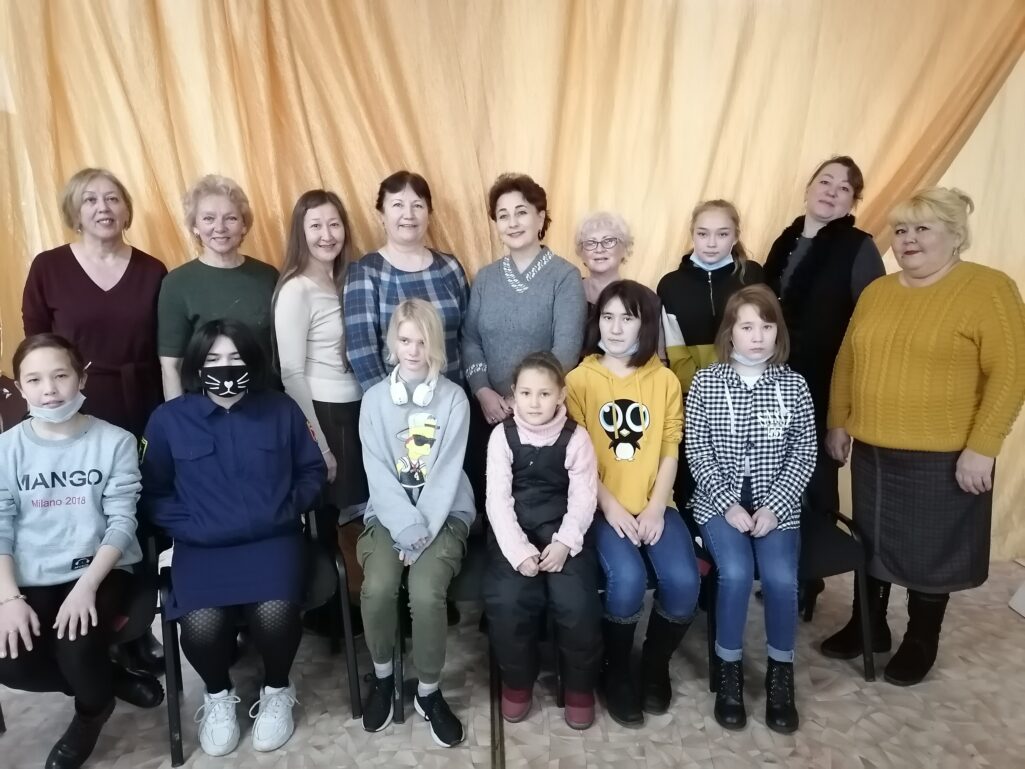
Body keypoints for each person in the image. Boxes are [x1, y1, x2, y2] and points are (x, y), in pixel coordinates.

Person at [822, 188, 1025, 686]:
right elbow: (848, 359)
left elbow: (1011, 373)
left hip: (945, 456)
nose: (908, 239)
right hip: (874, 451)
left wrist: (983, 447)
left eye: (922, 229)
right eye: (901, 230)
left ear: (955, 235)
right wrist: (838, 420)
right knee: (872, 543)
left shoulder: (988, 288)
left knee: (932, 553)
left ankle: (920, 639)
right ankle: (869, 626)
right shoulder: (878, 292)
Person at [141, 320, 326, 756]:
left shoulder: (281, 409)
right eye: (213, 359)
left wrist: (285, 509)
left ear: (253, 362)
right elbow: (153, 492)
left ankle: (277, 688)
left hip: (272, 540)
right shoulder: (168, 420)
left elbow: (313, 471)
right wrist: (190, 527)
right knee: (201, 627)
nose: (225, 368)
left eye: (235, 358)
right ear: (196, 365)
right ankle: (217, 695)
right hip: (201, 547)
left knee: (275, 615)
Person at [21, 167, 168, 676]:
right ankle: (89, 630)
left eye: (112, 198)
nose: (103, 208)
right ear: (75, 211)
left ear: (126, 209)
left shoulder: (152, 270)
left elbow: (165, 347)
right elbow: (37, 348)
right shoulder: (48, 267)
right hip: (72, 408)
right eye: (90, 200)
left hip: (142, 402)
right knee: (82, 510)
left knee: (138, 513)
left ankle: (135, 631)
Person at [0, 334, 161, 769]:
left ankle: (91, 713)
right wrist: (9, 599)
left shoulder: (115, 441)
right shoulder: (6, 449)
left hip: (101, 569)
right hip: (32, 574)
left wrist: (86, 586)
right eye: (34, 380)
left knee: (76, 645)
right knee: (10, 660)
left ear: (81, 378)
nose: (49, 390)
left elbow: (122, 522)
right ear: (19, 386)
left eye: (60, 376)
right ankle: (110, 681)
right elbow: (0, 527)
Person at [566, 280, 700, 728]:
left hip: (655, 503)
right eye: (608, 317)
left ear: (645, 325)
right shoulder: (579, 380)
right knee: (626, 579)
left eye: (628, 318)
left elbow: (669, 447)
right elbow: (578, 457)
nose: (616, 327)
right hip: (601, 507)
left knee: (683, 581)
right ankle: (616, 667)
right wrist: (611, 508)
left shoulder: (664, 380)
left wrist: (658, 506)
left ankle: (655, 663)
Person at [686, 285, 816, 733]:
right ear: (730, 333)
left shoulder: (793, 385)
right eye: (746, 327)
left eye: (766, 326)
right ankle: (729, 673)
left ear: (778, 333)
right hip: (718, 503)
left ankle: (781, 675)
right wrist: (727, 503)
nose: (757, 336)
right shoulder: (707, 382)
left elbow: (804, 452)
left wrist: (776, 506)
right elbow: (697, 450)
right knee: (737, 573)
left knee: (780, 578)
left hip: (777, 504)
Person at [762, 156, 884, 608]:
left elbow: (870, 335)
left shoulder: (859, 248)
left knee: (814, 487)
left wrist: (841, 417)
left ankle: (808, 579)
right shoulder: (785, 241)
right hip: (772, 386)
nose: (832, 191)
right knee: (773, 479)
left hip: (822, 390)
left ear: (853, 201)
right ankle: (781, 569)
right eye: (825, 181)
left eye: (845, 188)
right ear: (809, 187)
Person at [356, 299, 475, 747]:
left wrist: (421, 536)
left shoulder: (454, 399)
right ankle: (383, 677)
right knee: (378, 587)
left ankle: (428, 691)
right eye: (404, 340)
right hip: (389, 515)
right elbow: (378, 473)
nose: (412, 350)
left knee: (426, 593)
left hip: (443, 514)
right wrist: (406, 530)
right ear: (393, 342)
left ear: (434, 345)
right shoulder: (373, 400)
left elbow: (445, 475)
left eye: (421, 342)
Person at [483, 352, 601, 729]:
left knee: (576, 602)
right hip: (513, 531)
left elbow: (584, 497)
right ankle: (518, 682)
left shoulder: (577, 438)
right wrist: (518, 551)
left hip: (563, 529)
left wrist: (565, 542)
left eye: (545, 394)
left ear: (561, 395)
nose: (534, 403)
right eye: (526, 393)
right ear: (513, 395)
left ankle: (579, 686)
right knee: (508, 600)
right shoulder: (501, 437)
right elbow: (497, 500)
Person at [274, 190, 369, 609]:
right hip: (324, 412)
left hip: (359, 405)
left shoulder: (351, 279)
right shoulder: (296, 289)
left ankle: (368, 604)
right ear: (301, 232)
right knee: (333, 520)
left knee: (365, 515)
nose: (327, 234)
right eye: (315, 226)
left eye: (334, 224)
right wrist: (320, 444)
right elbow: (291, 373)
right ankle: (334, 614)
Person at [658, 200, 765, 527]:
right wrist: (706, 394)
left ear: (735, 236)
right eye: (703, 234)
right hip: (694, 401)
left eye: (722, 234)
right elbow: (675, 350)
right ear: (692, 234)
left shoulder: (753, 276)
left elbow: (764, 338)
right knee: (695, 483)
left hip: (748, 399)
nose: (711, 242)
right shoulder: (671, 284)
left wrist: (737, 390)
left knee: (744, 481)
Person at [343, 171, 470, 393]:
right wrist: (387, 403)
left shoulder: (449, 267)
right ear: (381, 215)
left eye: (417, 206)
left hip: (454, 399)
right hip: (395, 404)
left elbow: (468, 336)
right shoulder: (365, 271)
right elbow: (361, 352)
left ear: (429, 214)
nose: (408, 215)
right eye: (398, 205)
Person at [158, 175, 279, 400]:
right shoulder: (176, 283)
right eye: (208, 218)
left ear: (244, 225)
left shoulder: (268, 276)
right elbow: (171, 366)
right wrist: (177, 417)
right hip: (206, 408)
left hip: (267, 403)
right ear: (195, 226)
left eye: (230, 218)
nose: (220, 227)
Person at [577, 211, 633, 311]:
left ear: (624, 248)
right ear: (581, 252)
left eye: (608, 241)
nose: (599, 249)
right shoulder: (567, 291)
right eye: (591, 242)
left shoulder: (643, 298)